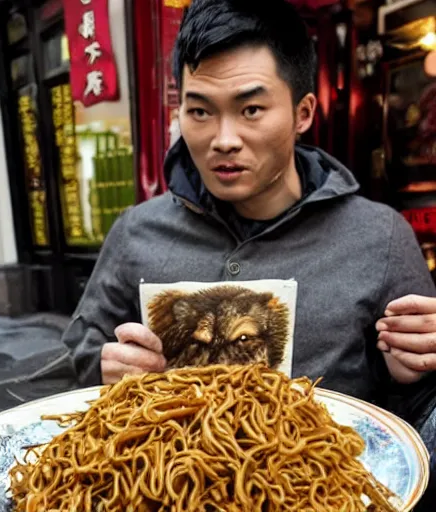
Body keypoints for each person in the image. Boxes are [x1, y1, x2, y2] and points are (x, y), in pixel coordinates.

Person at [62, 0, 436, 482]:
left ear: (302, 113)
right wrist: (106, 367)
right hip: (166, 486)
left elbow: (418, 404)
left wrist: (414, 367)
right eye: (199, 111)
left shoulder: (380, 235)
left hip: (320, 487)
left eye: (251, 109)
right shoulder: (136, 230)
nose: (223, 139)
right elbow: (83, 341)